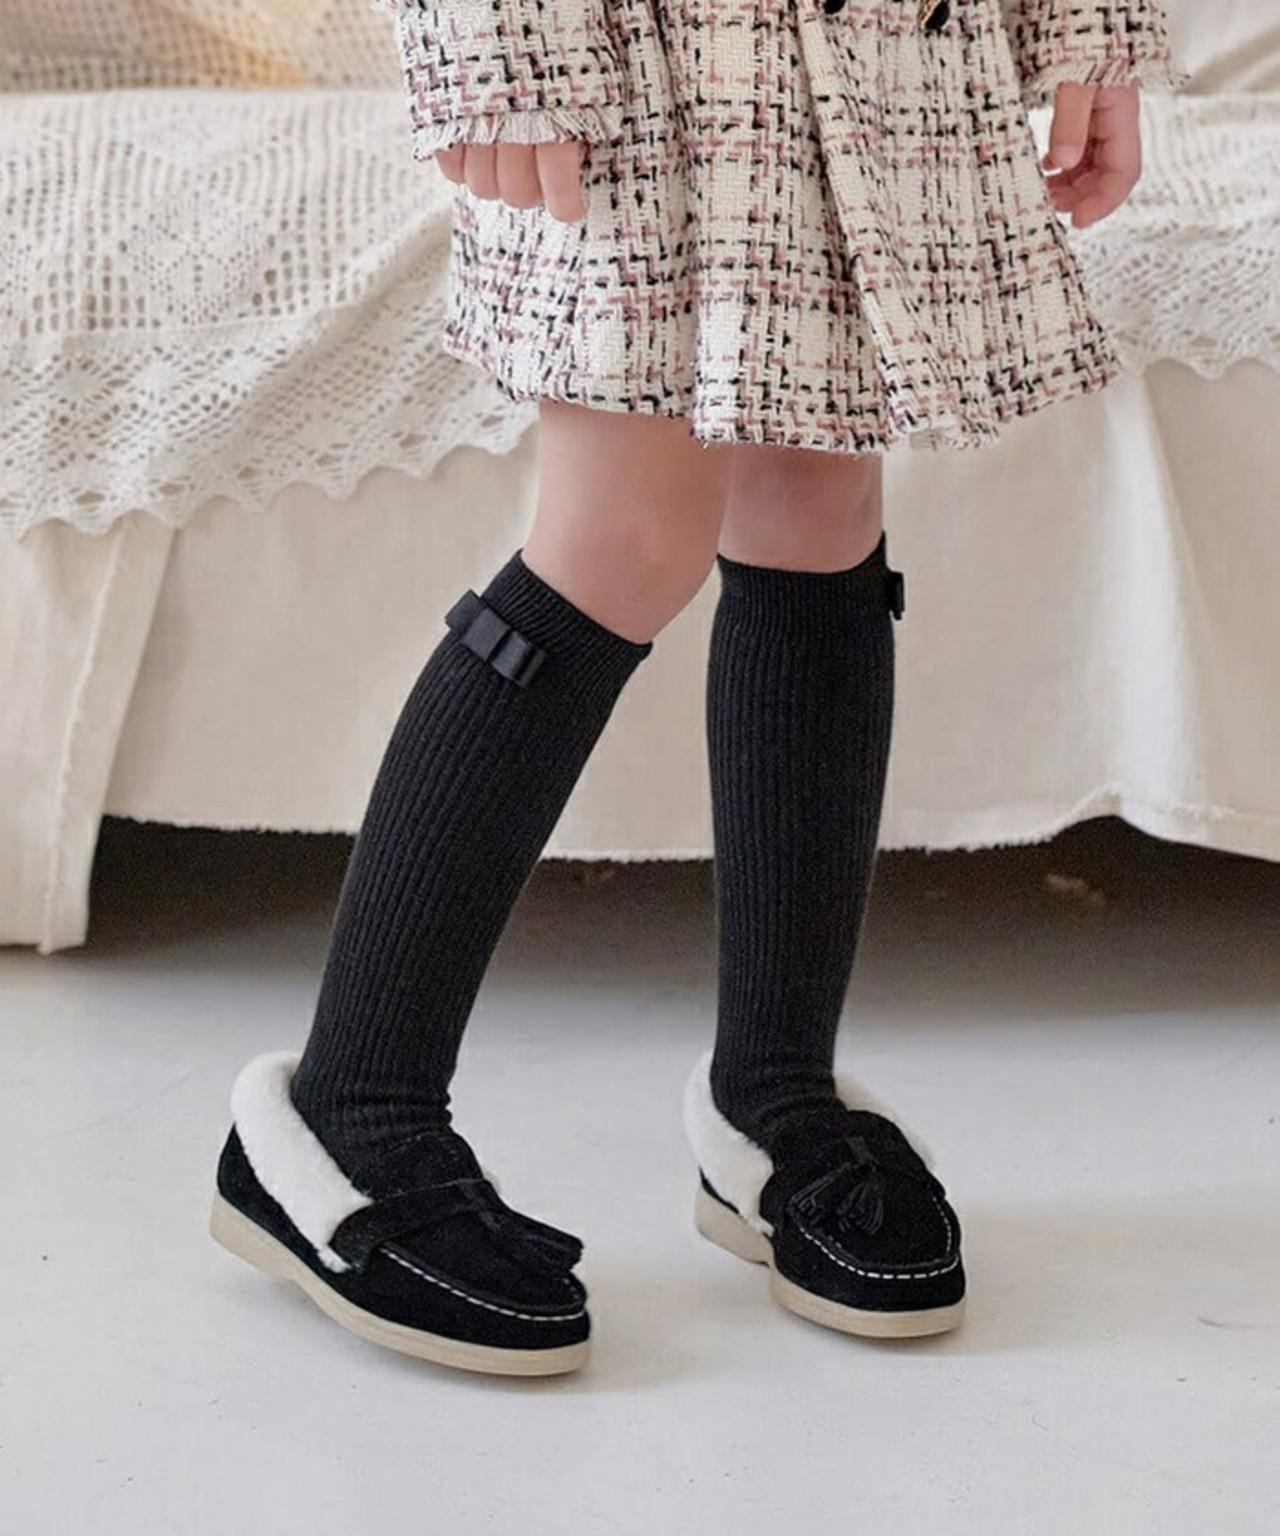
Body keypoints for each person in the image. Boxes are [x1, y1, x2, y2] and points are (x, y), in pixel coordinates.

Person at [209, 0, 1186, 1376]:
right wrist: (493, 43)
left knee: (820, 509)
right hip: (623, 44)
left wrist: (1090, 27)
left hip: (893, 49)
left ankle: (774, 1096)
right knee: (620, 540)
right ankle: (348, 1105)